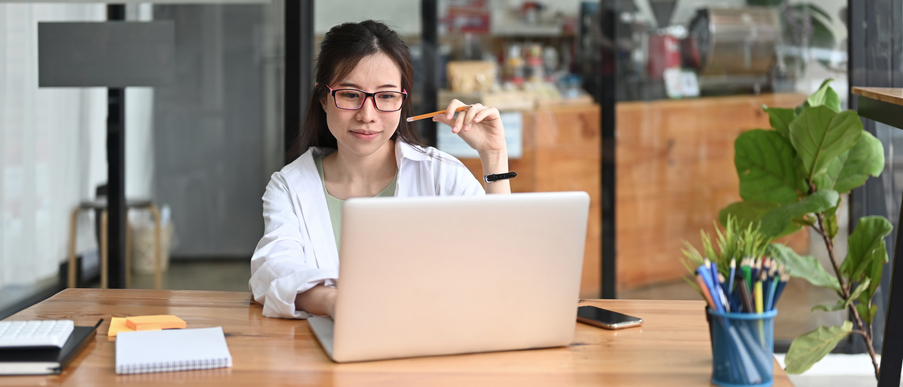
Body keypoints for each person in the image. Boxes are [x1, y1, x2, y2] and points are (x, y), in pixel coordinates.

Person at [249, 20, 512, 319]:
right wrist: (336, 303)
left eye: (386, 96)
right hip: (329, 347)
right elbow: (272, 271)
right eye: (350, 95)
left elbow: (499, 266)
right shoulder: (289, 186)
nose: (368, 115)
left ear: (402, 102)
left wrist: (494, 155)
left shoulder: (441, 175)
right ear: (323, 98)